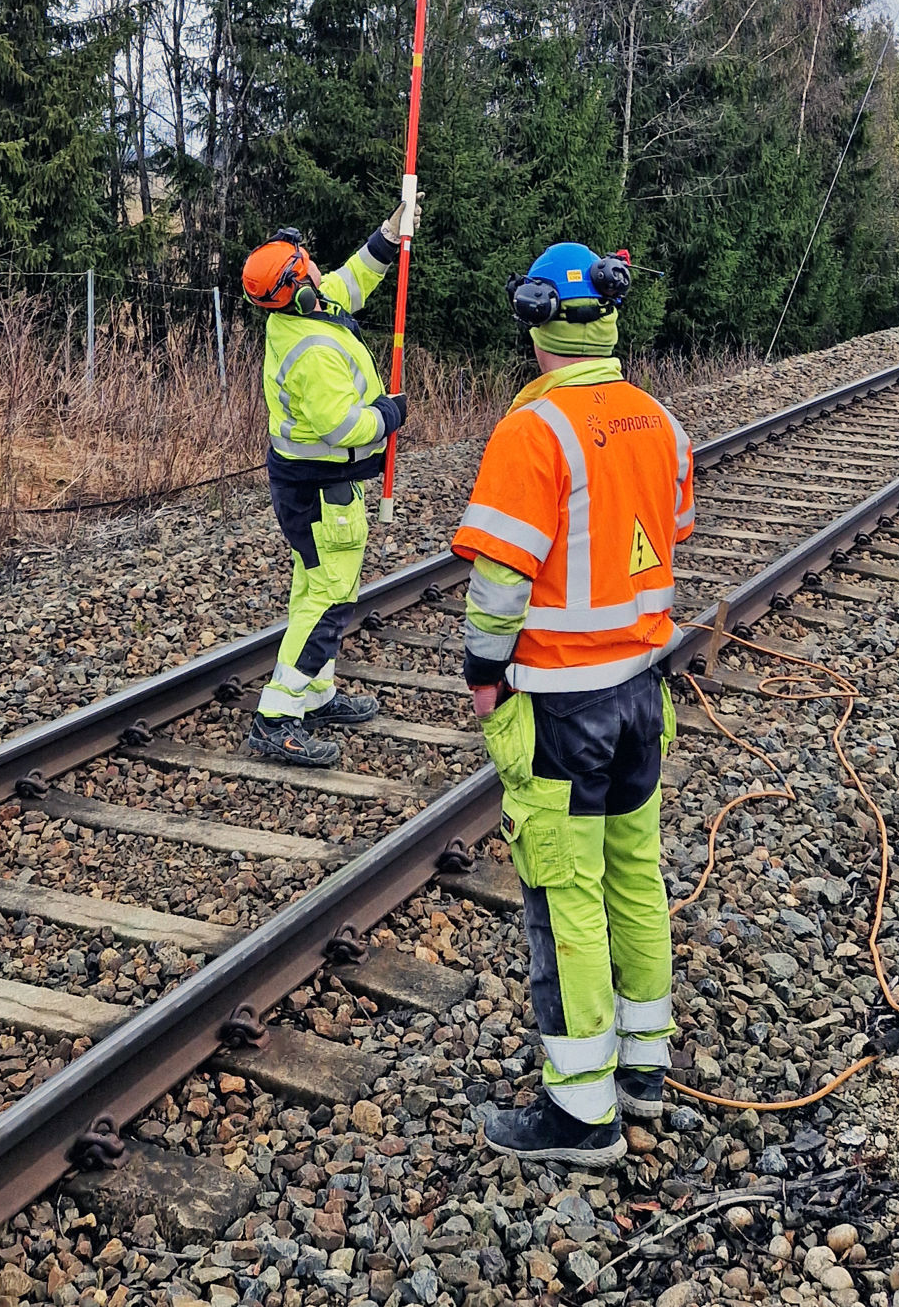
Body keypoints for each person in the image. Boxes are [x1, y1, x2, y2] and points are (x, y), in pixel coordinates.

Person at [454, 241, 694, 1169]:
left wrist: (485, 671)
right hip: (641, 694)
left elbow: (501, 577)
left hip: (560, 703)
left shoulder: (534, 429)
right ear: (610, 317)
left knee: (565, 898)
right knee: (636, 875)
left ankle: (580, 1112)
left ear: (538, 318)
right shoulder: (657, 419)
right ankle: (644, 1067)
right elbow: (668, 531)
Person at [240, 205, 412, 768]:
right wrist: (387, 416)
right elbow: (343, 426)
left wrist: (388, 237)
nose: (319, 270)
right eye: (308, 266)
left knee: (313, 589)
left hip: (314, 483)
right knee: (330, 599)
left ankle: (315, 694)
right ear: (297, 289)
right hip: (322, 486)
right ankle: (279, 715)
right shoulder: (311, 351)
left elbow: (352, 279)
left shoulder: (303, 312)